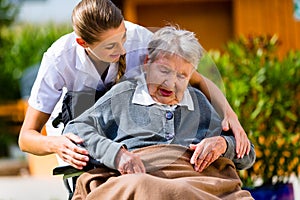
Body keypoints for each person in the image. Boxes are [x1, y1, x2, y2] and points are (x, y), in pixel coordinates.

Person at [18, 0, 250, 170]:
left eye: (123, 37)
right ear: (83, 43)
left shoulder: (141, 39)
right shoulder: (60, 59)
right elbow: (27, 137)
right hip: (81, 123)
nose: (122, 50)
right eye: (110, 47)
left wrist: (231, 117)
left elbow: (194, 78)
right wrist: (55, 144)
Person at [63, 26, 256, 199]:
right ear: (147, 62)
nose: (170, 83)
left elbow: (247, 157)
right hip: (143, 178)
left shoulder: (198, 102)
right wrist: (116, 154)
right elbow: (76, 130)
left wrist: (223, 144)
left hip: (203, 183)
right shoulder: (124, 95)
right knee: (144, 186)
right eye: (164, 70)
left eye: (182, 75)